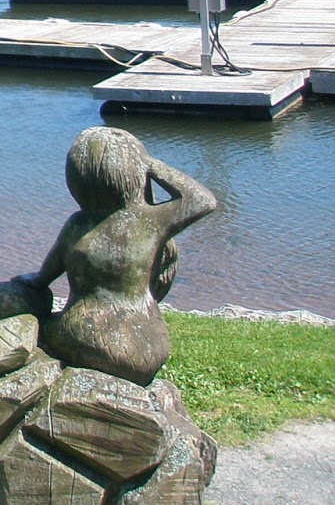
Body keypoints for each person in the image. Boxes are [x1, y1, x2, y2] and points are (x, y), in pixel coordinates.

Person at [20, 127, 216, 386]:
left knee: (36, 327)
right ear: (135, 173)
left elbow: (42, 278)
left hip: (91, 338)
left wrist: (26, 288)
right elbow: (202, 200)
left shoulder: (78, 225)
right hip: (150, 344)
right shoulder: (152, 221)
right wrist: (150, 164)